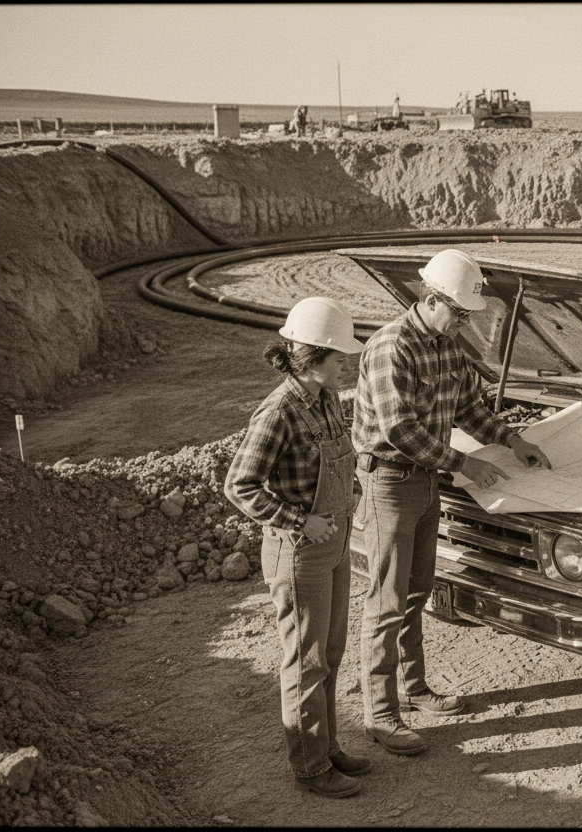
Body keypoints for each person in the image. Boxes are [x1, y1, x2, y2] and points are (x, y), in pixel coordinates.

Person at [354, 248, 551, 756]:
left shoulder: (446, 347)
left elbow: (467, 408)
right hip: (390, 482)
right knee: (385, 601)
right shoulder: (390, 347)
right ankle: (381, 714)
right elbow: (399, 429)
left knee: (418, 591)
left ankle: (415, 689)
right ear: (433, 297)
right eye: (460, 312)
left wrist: (512, 441)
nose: (464, 322)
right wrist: (465, 464)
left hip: (424, 482)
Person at [223, 297, 369, 799]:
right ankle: (309, 766)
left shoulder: (326, 399)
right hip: (299, 553)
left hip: (334, 545)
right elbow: (240, 485)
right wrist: (300, 520)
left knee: (329, 651)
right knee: (306, 659)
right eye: (339, 357)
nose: (346, 364)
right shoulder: (278, 411)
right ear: (315, 355)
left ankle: (326, 746)